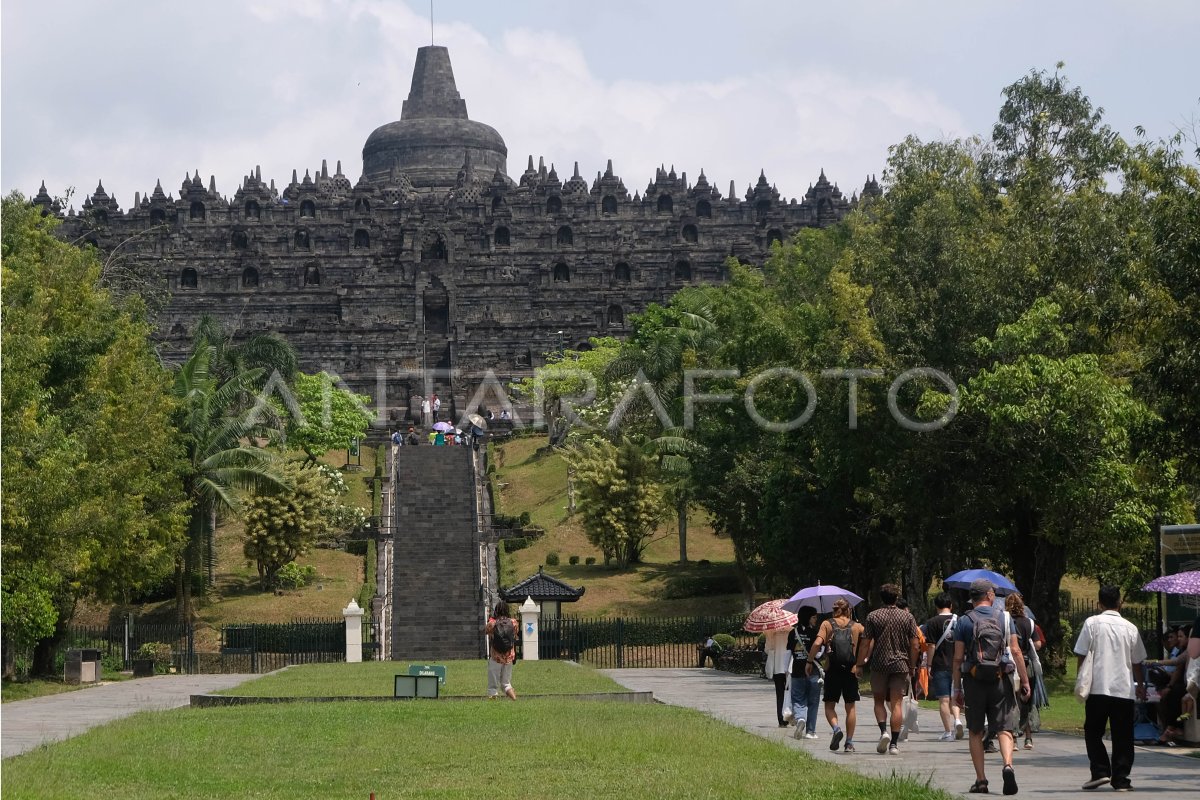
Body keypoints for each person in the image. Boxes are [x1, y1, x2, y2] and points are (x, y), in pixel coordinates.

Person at [952, 578, 1031, 796]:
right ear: (988, 595)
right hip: (1000, 680)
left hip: (974, 680)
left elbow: (958, 658)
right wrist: (1024, 680)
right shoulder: (1004, 618)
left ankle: (981, 780)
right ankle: (1007, 765)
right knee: (1004, 727)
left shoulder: (964, 621)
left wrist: (956, 689)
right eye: (993, 593)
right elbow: (1015, 651)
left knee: (976, 730)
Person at [1074, 585, 1146, 792]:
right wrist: (1140, 685)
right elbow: (1137, 661)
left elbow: (1081, 653)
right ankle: (1121, 779)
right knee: (1123, 735)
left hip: (1098, 687)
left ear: (1099, 604)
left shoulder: (1092, 623)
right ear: (1120, 603)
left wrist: (1081, 678)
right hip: (1123, 689)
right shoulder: (1130, 627)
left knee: (1093, 731)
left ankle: (1100, 771)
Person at [858, 583, 921, 756]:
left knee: (878, 701)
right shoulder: (907, 617)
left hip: (879, 664)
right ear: (896, 598)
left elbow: (865, 643)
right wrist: (912, 665)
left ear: (881, 597)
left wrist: (859, 664)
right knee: (897, 703)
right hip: (901, 664)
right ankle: (894, 744)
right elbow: (915, 645)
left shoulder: (873, 616)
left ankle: (883, 732)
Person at [808, 597, 863, 753]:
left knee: (829, 705)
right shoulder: (856, 626)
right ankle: (849, 742)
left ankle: (836, 728)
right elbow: (869, 641)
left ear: (834, 610)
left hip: (832, 670)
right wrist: (862, 661)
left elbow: (818, 643)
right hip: (851, 671)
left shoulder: (827, 624)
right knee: (850, 707)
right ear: (849, 610)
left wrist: (809, 661)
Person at [922, 591, 964, 741]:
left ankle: (948, 732)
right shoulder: (959, 620)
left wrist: (929, 664)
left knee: (944, 699)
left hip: (940, 664)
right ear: (951, 605)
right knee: (956, 695)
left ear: (936, 606)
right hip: (958, 663)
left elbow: (931, 646)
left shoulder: (931, 622)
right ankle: (958, 720)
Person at [1005, 593, 1042, 750]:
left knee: (1011, 701)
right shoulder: (1029, 623)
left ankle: (1013, 739)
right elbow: (1038, 644)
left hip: (1010, 664)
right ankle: (1028, 738)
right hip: (1026, 664)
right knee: (1026, 700)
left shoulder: (1005, 622)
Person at [788, 606, 822, 740]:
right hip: (813, 671)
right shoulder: (816, 633)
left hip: (797, 670)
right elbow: (819, 653)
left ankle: (801, 718)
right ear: (808, 617)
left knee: (798, 699)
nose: (815, 619)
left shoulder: (793, 632)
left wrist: (786, 671)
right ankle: (810, 731)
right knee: (813, 702)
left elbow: (788, 654)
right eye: (814, 617)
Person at [484, 600, 518, 700]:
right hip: (509, 656)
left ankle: (492, 703)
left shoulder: (492, 623)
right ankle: (514, 700)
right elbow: (514, 636)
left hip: (496, 656)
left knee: (493, 686)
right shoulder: (513, 622)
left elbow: (486, 631)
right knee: (506, 683)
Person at [764, 625, 792, 727]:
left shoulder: (770, 631)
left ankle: (781, 720)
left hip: (777, 666)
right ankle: (789, 716)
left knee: (780, 695)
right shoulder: (791, 630)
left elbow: (767, 649)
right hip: (789, 666)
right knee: (790, 693)